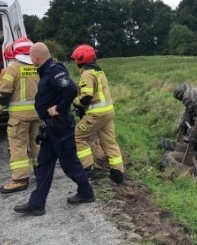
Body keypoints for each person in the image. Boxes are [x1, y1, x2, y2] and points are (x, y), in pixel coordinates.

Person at [14, 42, 95, 216]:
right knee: (44, 163)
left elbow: (71, 89)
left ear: (36, 57)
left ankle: (86, 192)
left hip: (60, 126)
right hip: (52, 128)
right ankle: (37, 204)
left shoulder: (54, 70)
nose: (30, 59)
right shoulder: (46, 71)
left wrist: (59, 108)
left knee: (69, 164)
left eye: (31, 56)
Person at [0, 37, 40, 194]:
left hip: (19, 117)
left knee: (18, 146)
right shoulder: (39, 67)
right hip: (39, 114)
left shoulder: (12, 69)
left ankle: (20, 180)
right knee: (37, 144)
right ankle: (41, 172)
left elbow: (4, 94)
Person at [71, 44, 124, 184]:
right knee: (109, 142)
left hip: (96, 114)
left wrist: (75, 101)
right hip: (108, 112)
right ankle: (117, 173)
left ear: (80, 59)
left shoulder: (86, 74)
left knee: (78, 135)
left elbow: (86, 97)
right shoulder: (99, 71)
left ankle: (87, 169)